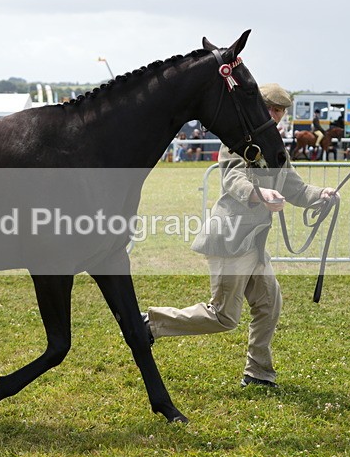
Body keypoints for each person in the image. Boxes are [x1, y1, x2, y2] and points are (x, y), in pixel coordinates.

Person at [143, 83, 339, 388]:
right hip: (230, 240)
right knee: (223, 316)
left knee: (269, 304)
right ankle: (150, 323)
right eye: (271, 109)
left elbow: (295, 187)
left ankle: (258, 373)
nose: (276, 116)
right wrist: (259, 194)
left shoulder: (275, 146)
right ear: (258, 107)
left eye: (280, 111)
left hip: (255, 245)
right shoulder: (236, 140)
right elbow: (233, 177)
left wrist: (321, 195)